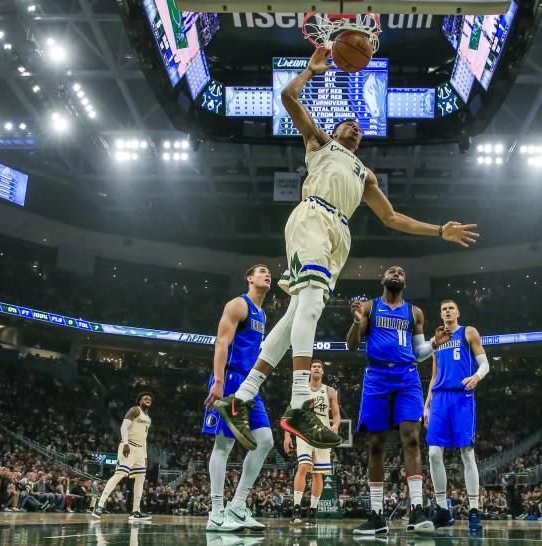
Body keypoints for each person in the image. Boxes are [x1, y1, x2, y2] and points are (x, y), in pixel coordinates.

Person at [213, 46, 479, 453]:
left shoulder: (365, 173)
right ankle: (300, 403)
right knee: (314, 304)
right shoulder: (320, 143)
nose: (354, 127)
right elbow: (288, 99)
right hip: (313, 216)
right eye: (347, 124)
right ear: (334, 131)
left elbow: (392, 218)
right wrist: (310, 71)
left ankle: (242, 399)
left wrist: (440, 230)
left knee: (295, 317)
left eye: (359, 126)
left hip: (340, 232)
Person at [346, 266, 450, 535]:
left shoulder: (414, 313)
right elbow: (351, 345)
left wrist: (435, 343)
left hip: (407, 377)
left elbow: (418, 353)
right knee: (376, 443)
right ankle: (377, 515)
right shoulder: (370, 307)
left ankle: (417, 509)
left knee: (412, 438)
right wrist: (358, 321)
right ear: (383, 279)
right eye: (391, 271)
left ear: (405, 282)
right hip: (377, 377)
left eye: (401, 272)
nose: (396, 273)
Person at [202, 265, 274, 532]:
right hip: (231, 380)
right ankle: (216, 512)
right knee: (224, 445)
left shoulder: (263, 314)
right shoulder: (238, 305)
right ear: (249, 278)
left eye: (270, 273)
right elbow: (221, 343)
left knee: (265, 440)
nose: (268, 275)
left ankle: (237, 505)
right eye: (262, 271)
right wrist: (219, 381)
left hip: (250, 384)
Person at [423, 299, 490, 533]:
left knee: (467, 453)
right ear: (441, 315)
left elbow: (485, 364)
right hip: (439, 399)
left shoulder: (468, 332)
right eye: (444, 309)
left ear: (458, 312)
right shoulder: (437, 340)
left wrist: (477, 377)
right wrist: (426, 405)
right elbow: (433, 376)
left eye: (451, 308)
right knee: (433, 453)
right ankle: (442, 509)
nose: (448, 311)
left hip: (462, 397)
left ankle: (474, 510)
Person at [284, 358, 341, 527]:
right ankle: (296, 508)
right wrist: (287, 435)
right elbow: (290, 413)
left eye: (319, 367)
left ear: (323, 372)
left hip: (322, 435)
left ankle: (312, 511)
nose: (316, 368)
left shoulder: (330, 391)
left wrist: (336, 425)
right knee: (303, 467)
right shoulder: (301, 390)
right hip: (304, 434)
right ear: (310, 371)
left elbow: (336, 415)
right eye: (314, 366)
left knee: (318, 474)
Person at [91, 393, 153, 521]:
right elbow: (124, 427)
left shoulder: (148, 418)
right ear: (140, 400)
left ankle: (135, 511)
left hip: (140, 451)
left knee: (141, 478)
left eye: (150, 399)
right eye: (145, 398)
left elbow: (144, 439)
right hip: (128, 446)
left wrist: (145, 456)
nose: (148, 400)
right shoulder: (135, 410)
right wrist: (125, 443)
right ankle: (100, 504)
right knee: (120, 474)